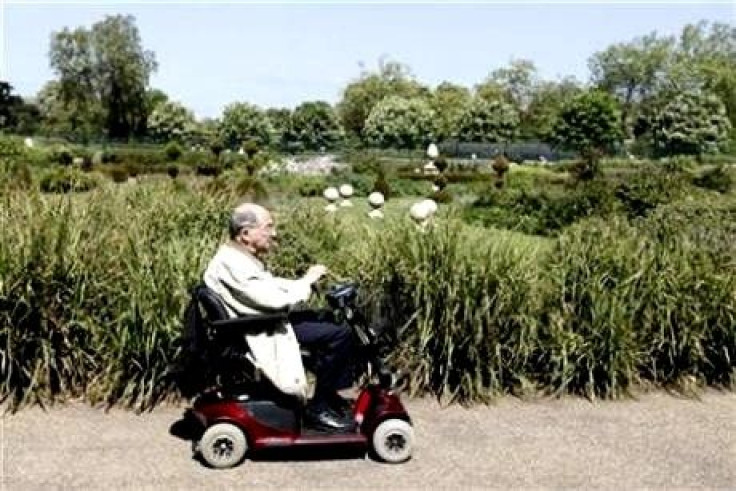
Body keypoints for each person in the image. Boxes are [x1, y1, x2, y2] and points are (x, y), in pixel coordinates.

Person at [203, 202, 355, 431]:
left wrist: (303, 282)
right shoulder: (231, 264)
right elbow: (271, 300)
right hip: (260, 328)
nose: (273, 233)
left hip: (262, 320)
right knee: (339, 335)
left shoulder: (236, 258)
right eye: (268, 227)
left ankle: (327, 391)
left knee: (326, 319)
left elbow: (266, 285)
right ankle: (319, 408)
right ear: (245, 234)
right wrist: (305, 282)